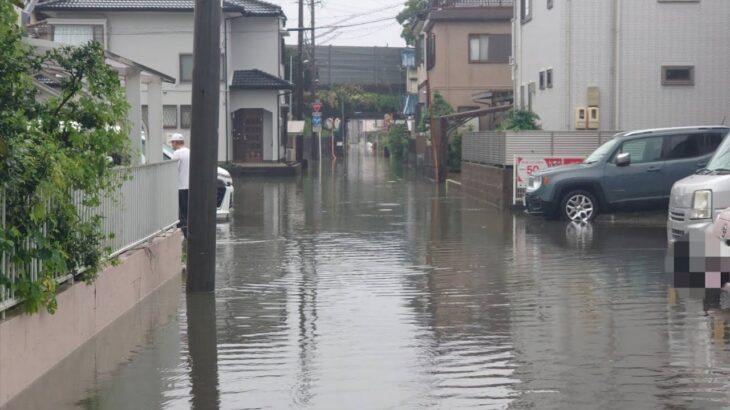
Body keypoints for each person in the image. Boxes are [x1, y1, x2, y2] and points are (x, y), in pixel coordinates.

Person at [170, 133, 190, 238]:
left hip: (181, 186)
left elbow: (173, 170)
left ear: (176, 142)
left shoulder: (177, 153)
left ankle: (186, 234)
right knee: (189, 210)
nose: (171, 145)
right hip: (191, 187)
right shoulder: (190, 152)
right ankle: (191, 233)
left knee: (183, 212)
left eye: (172, 142)